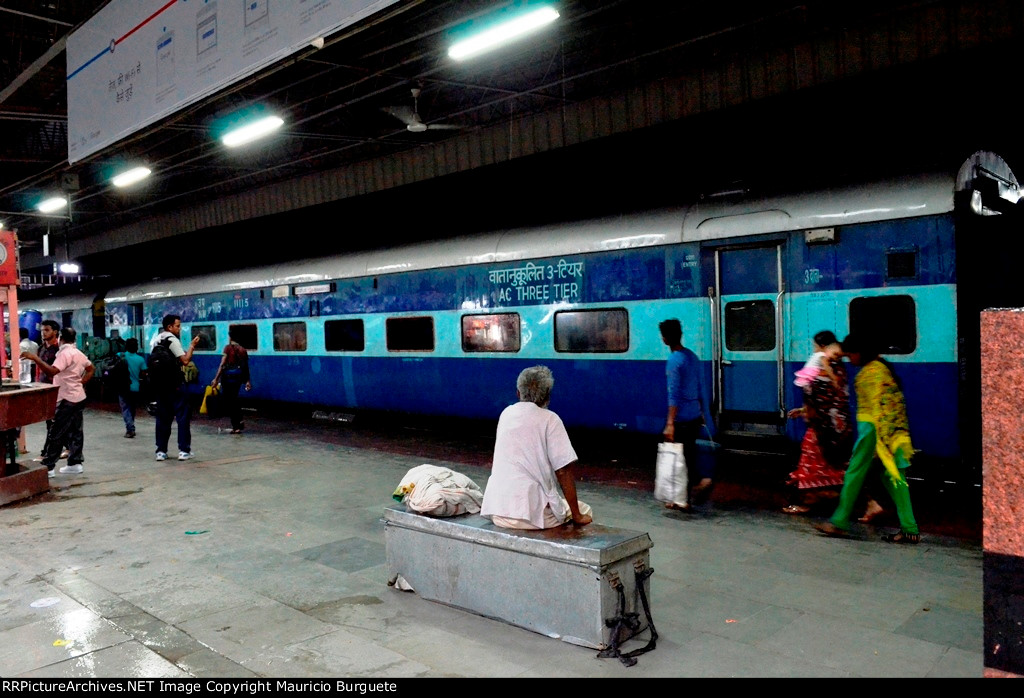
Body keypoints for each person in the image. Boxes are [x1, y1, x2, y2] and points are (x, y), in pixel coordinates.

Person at [815, 333, 921, 544]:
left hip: (873, 432)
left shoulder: (870, 373)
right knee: (894, 480)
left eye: (851, 354)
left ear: (860, 353)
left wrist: (878, 445)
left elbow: (875, 409)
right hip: (892, 433)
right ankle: (910, 529)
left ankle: (839, 521)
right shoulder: (881, 368)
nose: (849, 359)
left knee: (854, 473)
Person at [480, 365, 593, 529]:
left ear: (518, 393)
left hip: (498, 510)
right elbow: (563, 470)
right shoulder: (550, 419)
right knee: (585, 510)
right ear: (547, 396)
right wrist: (577, 515)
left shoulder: (506, 413)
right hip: (532, 517)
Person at [782, 331, 854, 514]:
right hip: (840, 424)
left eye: (815, 346)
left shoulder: (823, 365)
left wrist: (807, 411)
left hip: (822, 427)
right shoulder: (839, 368)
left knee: (813, 461)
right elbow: (835, 397)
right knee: (838, 464)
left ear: (822, 346)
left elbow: (816, 396)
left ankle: (808, 501)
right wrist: (804, 410)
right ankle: (849, 500)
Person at [21, 327, 94, 477]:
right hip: (78, 397)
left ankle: (49, 466)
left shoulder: (64, 353)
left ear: (61, 337)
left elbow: (52, 371)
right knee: (75, 431)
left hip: (67, 398)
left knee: (56, 432)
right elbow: (91, 368)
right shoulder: (78, 353)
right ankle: (75, 463)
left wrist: (35, 358)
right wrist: (82, 381)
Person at [659, 318, 715, 510]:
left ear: (665, 339)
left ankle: (682, 498)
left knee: (678, 458)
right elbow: (701, 388)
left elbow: (673, 394)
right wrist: (704, 413)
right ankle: (688, 491)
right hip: (693, 414)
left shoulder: (674, 361)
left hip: (681, 417)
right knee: (688, 454)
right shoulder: (692, 357)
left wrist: (670, 423)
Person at [150, 314, 200, 462]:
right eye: (177, 326)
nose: (180, 329)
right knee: (182, 417)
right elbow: (185, 360)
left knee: (162, 419)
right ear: (170, 327)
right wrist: (192, 346)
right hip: (175, 385)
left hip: (160, 386)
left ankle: (161, 451)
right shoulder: (172, 340)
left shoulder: (156, 341)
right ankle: (184, 450)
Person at [31, 320, 65, 463]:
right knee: (51, 422)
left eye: (47, 330)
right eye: (42, 330)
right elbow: (39, 369)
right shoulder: (41, 348)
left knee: (53, 422)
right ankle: (63, 448)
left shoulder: (59, 350)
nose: (43, 333)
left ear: (55, 332)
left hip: (56, 389)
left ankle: (47, 452)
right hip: (44, 388)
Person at [209, 329, 251, 434]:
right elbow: (245, 367)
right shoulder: (243, 350)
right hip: (238, 378)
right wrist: (247, 381)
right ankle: (239, 421)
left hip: (227, 378)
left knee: (230, 402)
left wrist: (216, 378)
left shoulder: (227, 349)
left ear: (230, 337)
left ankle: (236, 426)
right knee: (235, 399)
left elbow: (222, 365)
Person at [116, 338, 148, 439]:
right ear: (136, 348)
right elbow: (144, 373)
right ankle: (131, 425)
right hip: (135, 387)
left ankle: (130, 429)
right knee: (132, 408)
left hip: (122, 387)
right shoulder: (140, 359)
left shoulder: (119, 356)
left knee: (125, 408)